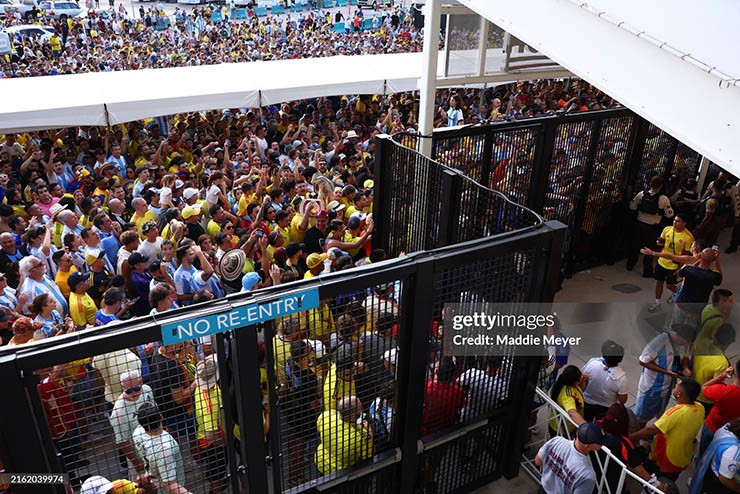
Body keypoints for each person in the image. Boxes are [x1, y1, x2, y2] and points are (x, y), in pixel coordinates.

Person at [630, 377, 704, 480]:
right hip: (684, 458)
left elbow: (650, 431)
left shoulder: (676, 413)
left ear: (679, 394)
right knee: (671, 480)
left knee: (656, 481)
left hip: (666, 460)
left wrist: (631, 437)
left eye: (677, 386)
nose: (674, 386)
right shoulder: (700, 407)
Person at [634, 323, 695, 423]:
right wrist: (667, 372)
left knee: (660, 412)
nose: (686, 345)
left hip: (667, 387)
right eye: (685, 342)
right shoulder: (659, 341)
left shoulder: (683, 344)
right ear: (679, 336)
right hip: (651, 388)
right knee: (641, 417)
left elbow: (684, 358)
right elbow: (643, 361)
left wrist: (685, 368)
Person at [132, 402, 193, 494]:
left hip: (154, 480)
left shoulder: (137, 433)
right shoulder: (165, 449)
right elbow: (170, 485)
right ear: (161, 417)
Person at [534, 422, 603, 494]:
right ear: (587, 446)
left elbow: (537, 461)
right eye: (600, 442)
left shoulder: (557, 441)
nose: (602, 444)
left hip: (544, 489)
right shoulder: (588, 475)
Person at [109, 369, 155, 474]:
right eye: (129, 391)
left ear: (141, 382)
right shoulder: (118, 412)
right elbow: (122, 441)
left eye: (136, 389)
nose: (134, 393)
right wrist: (137, 464)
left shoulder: (147, 390)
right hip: (140, 454)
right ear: (123, 388)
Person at [627, 176, 673, 277]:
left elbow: (632, 206)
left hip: (639, 224)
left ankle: (630, 265)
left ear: (649, 184)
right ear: (661, 186)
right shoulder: (663, 199)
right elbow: (669, 214)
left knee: (635, 246)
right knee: (650, 250)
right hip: (653, 228)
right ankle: (647, 271)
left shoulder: (642, 194)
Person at [315, 396, 373, 475]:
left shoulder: (327, 415)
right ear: (352, 416)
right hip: (340, 472)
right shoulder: (360, 435)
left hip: (321, 462)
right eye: (359, 411)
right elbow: (368, 454)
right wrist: (369, 431)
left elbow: (319, 428)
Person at [648, 215, 694, 312]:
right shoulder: (667, 229)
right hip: (662, 261)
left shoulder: (688, 237)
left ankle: (676, 293)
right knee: (659, 282)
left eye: (678, 221)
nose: (674, 222)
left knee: (669, 285)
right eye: (674, 220)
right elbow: (661, 241)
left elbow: (686, 256)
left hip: (674, 265)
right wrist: (659, 242)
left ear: (684, 223)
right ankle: (657, 303)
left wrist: (680, 268)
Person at [698, 361, 740, 458]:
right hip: (733, 432)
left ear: (735, 373)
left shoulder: (722, 391)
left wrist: (721, 376)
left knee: (703, 454)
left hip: (713, 427)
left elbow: (704, 387)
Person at [581, 340, 628, 421]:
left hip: (587, 402)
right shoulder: (621, 378)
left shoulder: (592, 363)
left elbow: (581, 378)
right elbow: (623, 400)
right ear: (620, 359)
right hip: (606, 409)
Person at [690, 418, 740, 494]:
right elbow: (725, 478)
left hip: (711, 467)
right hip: (720, 482)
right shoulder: (734, 450)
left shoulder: (727, 427)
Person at [548, 365, 587, 437]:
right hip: (562, 430)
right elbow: (572, 412)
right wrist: (587, 427)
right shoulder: (567, 395)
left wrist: (583, 383)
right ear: (574, 381)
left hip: (567, 427)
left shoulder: (571, 386)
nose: (581, 378)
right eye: (579, 378)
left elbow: (579, 395)